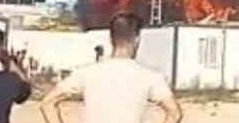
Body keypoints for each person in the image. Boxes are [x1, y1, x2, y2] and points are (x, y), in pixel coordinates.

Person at [40, 13, 182, 123]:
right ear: (137, 39)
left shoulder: (86, 73)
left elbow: (47, 104)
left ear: (110, 38)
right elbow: (175, 113)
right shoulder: (150, 77)